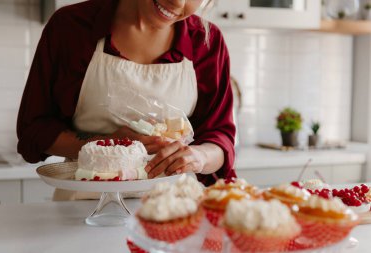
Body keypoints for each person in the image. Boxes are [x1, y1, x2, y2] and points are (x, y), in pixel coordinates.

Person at [17, 0, 236, 200]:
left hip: (174, 210)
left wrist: (199, 156)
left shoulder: (207, 41)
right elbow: (34, 130)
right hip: (82, 208)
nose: (178, 2)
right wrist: (107, 146)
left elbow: (220, 138)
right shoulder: (71, 27)